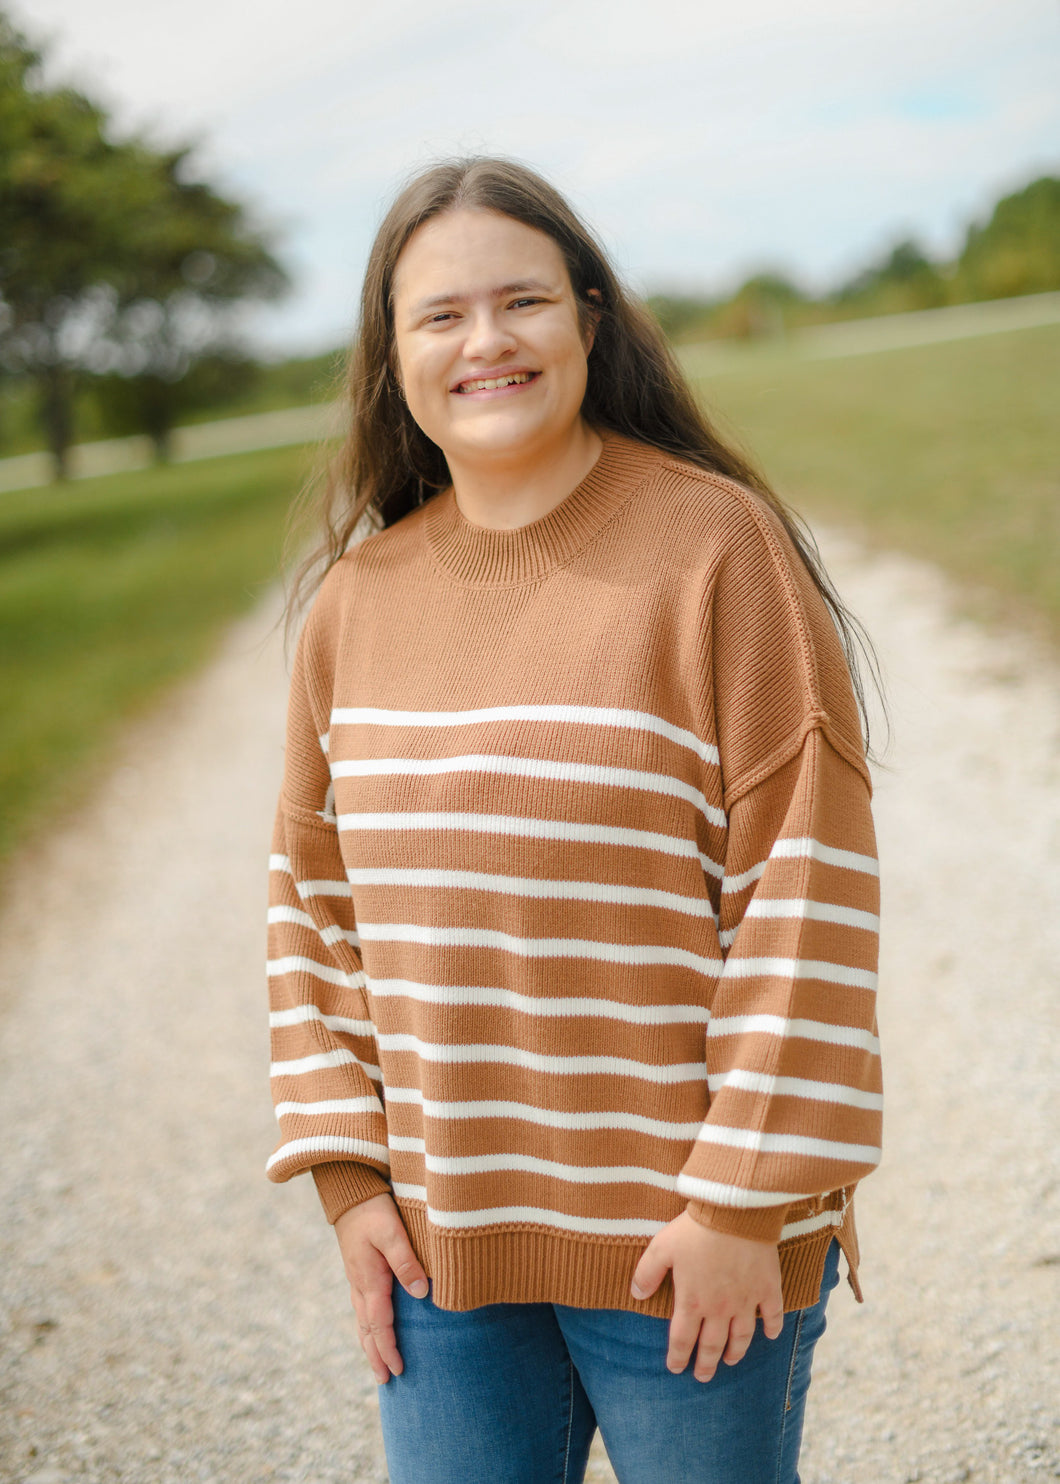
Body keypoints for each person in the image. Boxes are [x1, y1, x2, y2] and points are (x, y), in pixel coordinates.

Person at [265, 156, 882, 1484]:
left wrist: (737, 1199)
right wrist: (350, 1185)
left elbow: (804, 886)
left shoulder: (717, 551)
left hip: (692, 1247)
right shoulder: (350, 606)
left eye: (523, 301)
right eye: (439, 316)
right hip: (446, 1252)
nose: (485, 341)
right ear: (392, 358)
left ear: (590, 319)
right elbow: (309, 908)